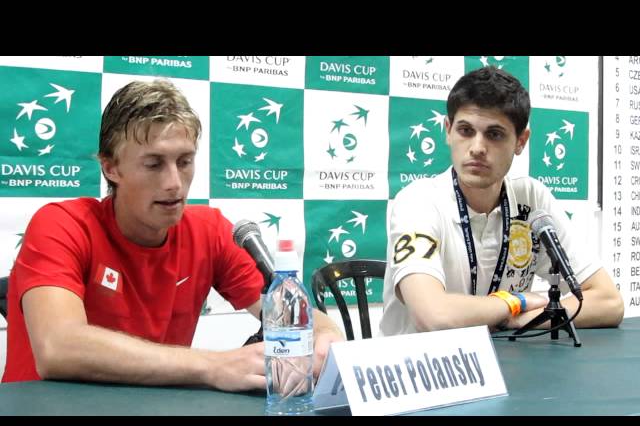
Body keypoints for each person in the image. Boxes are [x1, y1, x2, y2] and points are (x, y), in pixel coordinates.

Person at [2, 79, 344, 390]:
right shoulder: (61, 224)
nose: (174, 184)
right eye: (153, 164)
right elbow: (58, 347)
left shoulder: (209, 231)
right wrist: (212, 364)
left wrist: (325, 332)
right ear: (111, 167)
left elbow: (286, 310)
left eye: (184, 161)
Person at [381, 66, 624, 336]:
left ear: (521, 141)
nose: (477, 147)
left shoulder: (532, 198)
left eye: (494, 134)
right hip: (415, 371)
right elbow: (433, 315)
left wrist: (526, 319)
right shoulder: (417, 201)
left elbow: (609, 302)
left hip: (499, 366)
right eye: (465, 130)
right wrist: (515, 302)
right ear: (448, 131)